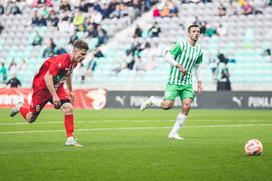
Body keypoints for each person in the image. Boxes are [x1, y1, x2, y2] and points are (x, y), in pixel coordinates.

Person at [10, 40, 89, 147]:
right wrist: (54, 95)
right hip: (42, 88)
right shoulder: (61, 61)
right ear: (75, 51)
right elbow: (48, 77)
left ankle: (70, 139)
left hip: (56, 86)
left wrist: (70, 90)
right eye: (82, 54)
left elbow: (68, 74)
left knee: (68, 108)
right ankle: (19, 107)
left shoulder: (74, 63)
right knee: (30, 118)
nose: (84, 57)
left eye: (85, 54)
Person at [140, 24, 203, 140]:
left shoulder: (198, 50)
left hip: (187, 82)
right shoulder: (181, 45)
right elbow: (168, 56)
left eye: (198, 31)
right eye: (194, 31)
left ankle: (173, 133)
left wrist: (199, 81)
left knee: (187, 105)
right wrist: (178, 66)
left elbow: (197, 66)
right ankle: (152, 100)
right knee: (167, 106)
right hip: (174, 81)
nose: (196, 33)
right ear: (189, 33)